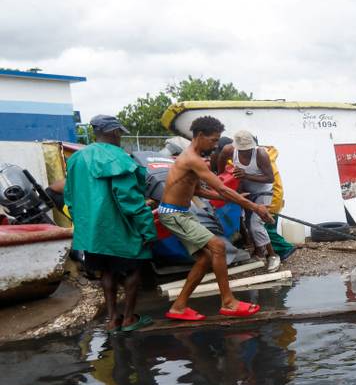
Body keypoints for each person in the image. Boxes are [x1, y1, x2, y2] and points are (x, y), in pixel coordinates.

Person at [159, 116, 272, 321]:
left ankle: (179, 306)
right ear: (200, 136)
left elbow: (199, 191)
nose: (215, 145)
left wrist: (235, 199)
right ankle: (228, 302)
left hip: (181, 213)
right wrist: (253, 206)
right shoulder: (191, 158)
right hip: (174, 214)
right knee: (218, 247)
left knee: (206, 257)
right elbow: (221, 187)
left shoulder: (192, 158)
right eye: (213, 140)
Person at [64, 114, 157, 332]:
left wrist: (84, 226)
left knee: (107, 272)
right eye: (120, 133)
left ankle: (113, 319)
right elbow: (129, 200)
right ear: (115, 132)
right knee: (132, 271)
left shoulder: (77, 158)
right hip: (120, 228)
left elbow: (70, 197)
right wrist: (147, 229)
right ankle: (129, 320)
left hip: (93, 232)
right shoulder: (119, 158)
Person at [215, 131, 284, 271]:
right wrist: (224, 182)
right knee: (247, 222)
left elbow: (270, 178)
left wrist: (246, 175)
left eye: (249, 149)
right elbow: (220, 167)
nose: (246, 152)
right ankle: (259, 253)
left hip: (263, 190)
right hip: (245, 190)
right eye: (243, 150)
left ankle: (272, 255)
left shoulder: (261, 154)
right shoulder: (229, 150)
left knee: (255, 223)